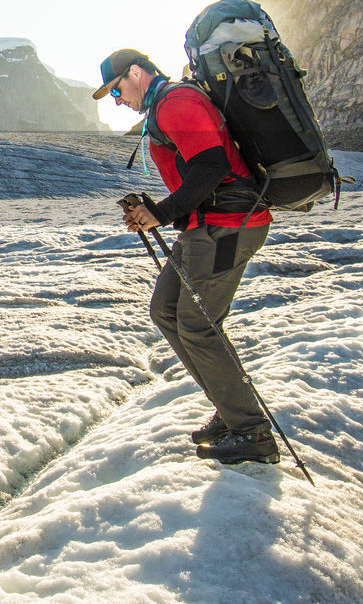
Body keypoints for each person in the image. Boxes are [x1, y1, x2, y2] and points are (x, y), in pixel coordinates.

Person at [92, 49, 278, 465]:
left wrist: (160, 212)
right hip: (205, 225)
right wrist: (159, 211)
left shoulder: (176, 101)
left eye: (116, 90)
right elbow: (199, 172)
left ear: (135, 74)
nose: (117, 101)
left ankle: (251, 431)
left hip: (228, 225)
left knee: (197, 326)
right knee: (166, 310)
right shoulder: (167, 105)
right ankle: (231, 410)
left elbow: (211, 166)